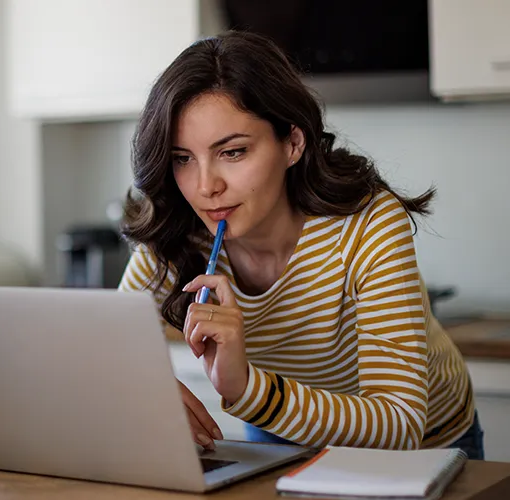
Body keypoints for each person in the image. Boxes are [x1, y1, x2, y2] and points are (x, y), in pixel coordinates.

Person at [117, 30, 483, 459]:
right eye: (183, 158)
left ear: (292, 143)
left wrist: (247, 389)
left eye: (232, 152)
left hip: (424, 447)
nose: (205, 187)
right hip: (282, 432)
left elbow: (399, 421)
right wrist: (145, 387)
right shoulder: (180, 230)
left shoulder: (368, 222)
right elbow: (107, 350)